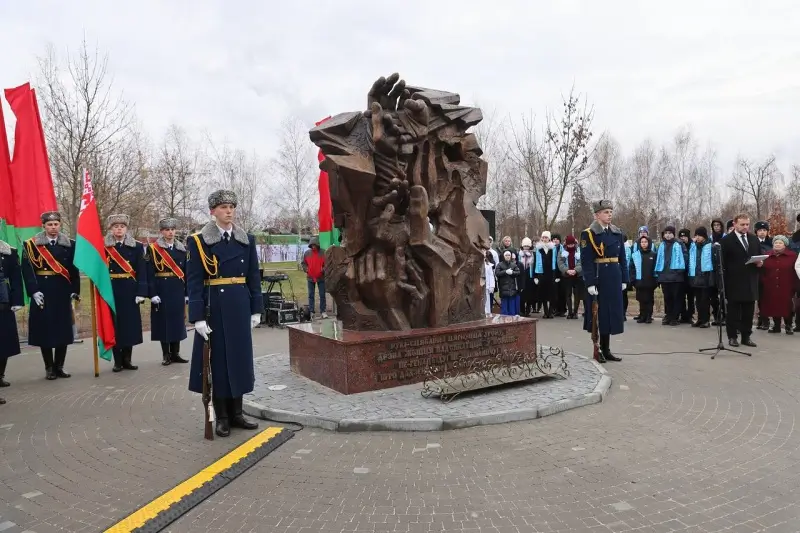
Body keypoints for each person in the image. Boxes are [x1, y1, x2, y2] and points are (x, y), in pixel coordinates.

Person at [187, 189, 262, 438]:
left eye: (232, 207)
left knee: (239, 359)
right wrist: (197, 316)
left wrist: (256, 309)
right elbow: (195, 280)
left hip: (240, 305)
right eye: (223, 207)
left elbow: (253, 276)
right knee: (218, 361)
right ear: (213, 211)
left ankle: (238, 413)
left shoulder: (246, 239)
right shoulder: (199, 241)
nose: (229, 211)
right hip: (214, 308)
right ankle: (222, 416)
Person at [21, 211, 81, 380]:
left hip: (62, 290)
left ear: (60, 225)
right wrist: (33, 290)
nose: (53, 228)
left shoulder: (70, 244)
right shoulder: (31, 245)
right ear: (44, 226)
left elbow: (74, 270)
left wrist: (75, 290)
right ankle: (49, 367)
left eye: (56, 224)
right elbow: (26, 270)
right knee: (45, 330)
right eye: (49, 225)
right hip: (43, 291)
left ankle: (59, 366)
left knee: (63, 329)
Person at [580, 200, 627, 363]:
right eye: (606, 212)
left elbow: (623, 258)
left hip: (614, 276)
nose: (609, 215)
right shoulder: (589, 234)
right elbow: (586, 261)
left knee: (611, 314)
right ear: (597, 215)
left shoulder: (617, 232)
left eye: (611, 212)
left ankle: (607, 349)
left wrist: (624, 278)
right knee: (597, 314)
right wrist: (590, 283)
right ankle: (597, 349)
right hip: (599, 277)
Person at [106, 214, 148, 372]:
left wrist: (141, 292)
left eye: (122, 226)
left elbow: (142, 270)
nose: (119, 229)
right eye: (116, 226)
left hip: (130, 289)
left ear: (126, 229)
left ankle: (127, 359)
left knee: (129, 325)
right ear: (111, 229)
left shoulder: (136, 246)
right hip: (111, 289)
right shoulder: (104, 246)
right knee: (114, 325)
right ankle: (117, 361)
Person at [147, 217, 189, 366]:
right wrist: (152, 293)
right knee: (163, 322)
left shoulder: (182, 249)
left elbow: (186, 272)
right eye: (167, 230)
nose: (170, 232)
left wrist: (187, 293)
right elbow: (149, 273)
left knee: (177, 322)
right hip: (161, 288)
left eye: (172, 229)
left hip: (177, 288)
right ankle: (166, 355)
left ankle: (176, 353)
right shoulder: (153, 248)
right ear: (161, 232)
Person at [719, 213, 763, 347]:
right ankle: (732, 337)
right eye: (742, 224)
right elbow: (721, 263)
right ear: (735, 224)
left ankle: (746, 337)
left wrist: (760, 263)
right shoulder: (726, 241)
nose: (745, 227)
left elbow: (758, 256)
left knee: (748, 313)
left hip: (750, 281)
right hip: (733, 282)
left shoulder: (754, 239)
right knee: (733, 312)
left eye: (747, 224)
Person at [0, 238, 24, 401]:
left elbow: (16, 277)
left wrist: (17, 301)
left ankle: (0, 374)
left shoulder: (9, 251)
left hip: (3, 299)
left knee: (4, 340)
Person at [759, 235, 797, 335]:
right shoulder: (767, 255)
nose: (778, 244)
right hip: (770, 285)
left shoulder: (792, 256)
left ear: (785, 245)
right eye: (776, 243)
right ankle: (776, 326)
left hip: (787, 284)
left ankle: (788, 326)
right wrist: (764, 280)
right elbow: (762, 270)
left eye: (780, 243)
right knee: (774, 305)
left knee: (787, 305)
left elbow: (796, 270)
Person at [654, 226, 687, 326]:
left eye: (670, 233)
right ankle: (668, 315)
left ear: (673, 234)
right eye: (666, 233)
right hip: (664, 276)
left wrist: (679, 271)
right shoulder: (661, 245)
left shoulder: (679, 244)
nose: (668, 235)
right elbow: (658, 260)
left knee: (676, 297)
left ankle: (675, 317)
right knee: (667, 298)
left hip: (676, 276)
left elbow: (685, 258)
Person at [687, 227, 714, 328]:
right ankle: (700, 319)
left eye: (699, 235)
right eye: (696, 235)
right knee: (697, 300)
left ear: (704, 236)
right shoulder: (694, 246)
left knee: (705, 300)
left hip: (706, 276)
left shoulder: (709, 246)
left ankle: (706, 320)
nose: (697, 238)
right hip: (696, 277)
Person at [630, 235, 657, 323]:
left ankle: (649, 316)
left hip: (650, 282)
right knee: (641, 299)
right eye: (642, 242)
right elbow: (632, 268)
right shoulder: (635, 255)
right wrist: (633, 280)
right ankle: (642, 315)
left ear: (649, 243)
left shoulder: (653, 254)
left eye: (645, 242)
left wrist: (656, 280)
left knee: (649, 299)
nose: (644, 244)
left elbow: (655, 268)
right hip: (639, 282)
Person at [557, 235, 583, 319]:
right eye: (569, 244)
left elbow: (581, 262)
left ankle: (575, 312)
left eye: (572, 244)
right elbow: (560, 263)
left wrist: (575, 270)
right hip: (567, 275)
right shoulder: (562, 251)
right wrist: (567, 270)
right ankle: (570, 312)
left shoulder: (579, 250)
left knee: (577, 294)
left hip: (577, 275)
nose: (571, 246)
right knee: (568, 294)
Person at [302, 236, 327, 319]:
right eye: (312, 245)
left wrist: (322, 270)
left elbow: (327, 264)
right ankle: (312, 312)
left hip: (321, 277)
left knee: (322, 295)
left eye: (314, 245)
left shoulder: (323, 253)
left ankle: (323, 311)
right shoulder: (307, 253)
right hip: (310, 278)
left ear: (318, 245)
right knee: (311, 295)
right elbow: (303, 263)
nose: (313, 247)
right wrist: (307, 270)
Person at [495, 250, 520, 316]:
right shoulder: (499, 264)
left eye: (509, 255)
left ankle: (512, 319)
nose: (508, 256)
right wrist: (505, 271)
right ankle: (504, 319)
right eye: (506, 255)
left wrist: (512, 273)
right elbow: (497, 273)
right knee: (504, 307)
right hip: (503, 289)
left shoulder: (513, 264)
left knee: (512, 307)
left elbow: (518, 272)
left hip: (512, 289)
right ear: (504, 256)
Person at [677, 228, 694, 323]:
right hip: (681, 275)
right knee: (681, 296)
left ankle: (690, 315)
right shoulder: (677, 246)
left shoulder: (692, 246)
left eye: (685, 236)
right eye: (681, 236)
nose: (683, 238)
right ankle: (683, 315)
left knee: (691, 297)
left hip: (690, 275)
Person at [518, 238, 536, 316]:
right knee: (522, 293)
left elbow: (535, 265)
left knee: (530, 294)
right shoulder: (519, 254)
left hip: (530, 275)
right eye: (524, 246)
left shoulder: (533, 254)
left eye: (527, 246)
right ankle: (521, 310)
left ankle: (528, 309)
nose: (526, 247)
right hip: (522, 275)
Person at [483, 250, 495, 317]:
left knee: (487, 300)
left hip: (487, 285)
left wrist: (492, 286)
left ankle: (487, 312)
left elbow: (491, 275)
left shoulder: (488, 265)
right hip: (479, 285)